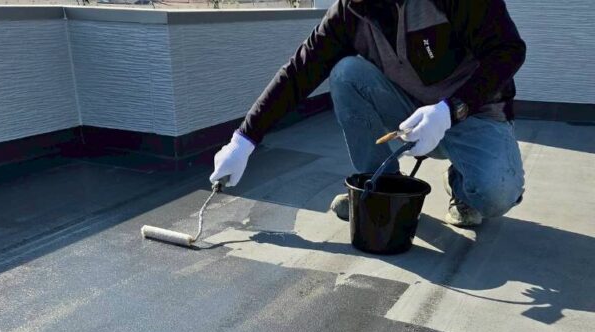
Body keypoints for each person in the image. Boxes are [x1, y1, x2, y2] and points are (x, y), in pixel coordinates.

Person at [209, 0, 526, 228]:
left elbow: (508, 49)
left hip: (472, 113)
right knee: (346, 73)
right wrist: (243, 140)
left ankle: (460, 182)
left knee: (495, 195)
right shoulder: (351, 11)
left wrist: (450, 110)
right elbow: (299, 71)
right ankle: (379, 188)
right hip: (409, 111)